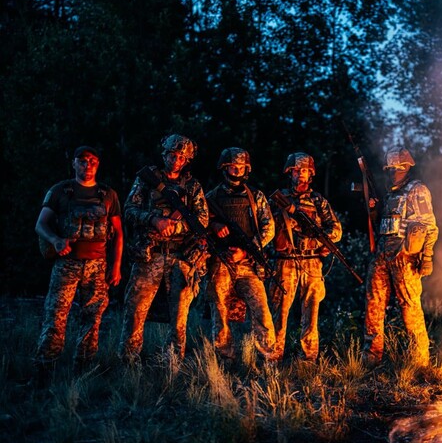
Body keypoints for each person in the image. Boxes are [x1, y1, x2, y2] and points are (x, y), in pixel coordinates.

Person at [34, 145, 123, 376]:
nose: (87, 165)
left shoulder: (108, 194)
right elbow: (40, 224)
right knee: (55, 318)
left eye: (92, 161)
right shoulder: (60, 191)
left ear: (98, 164)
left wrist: (115, 267)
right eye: (82, 161)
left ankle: (82, 374)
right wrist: (55, 240)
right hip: (66, 265)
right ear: (74, 163)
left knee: (92, 321)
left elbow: (118, 233)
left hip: (97, 266)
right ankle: (44, 372)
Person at [119, 134, 208, 363]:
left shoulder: (192, 186)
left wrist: (177, 226)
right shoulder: (147, 180)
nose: (175, 160)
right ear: (164, 154)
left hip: (180, 258)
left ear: (186, 159)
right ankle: (129, 363)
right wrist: (154, 220)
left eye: (181, 157)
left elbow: (202, 220)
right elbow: (129, 210)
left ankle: (172, 365)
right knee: (135, 312)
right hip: (149, 255)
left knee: (179, 317)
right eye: (172, 154)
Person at [362, 146, 438, 368]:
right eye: (391, 168)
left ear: (407, 167)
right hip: (382, 257)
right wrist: (374, 210)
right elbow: (383, 225)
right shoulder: (390, 192)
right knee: (373, 305)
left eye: (398, 167)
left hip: (405, 257)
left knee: (410, 307)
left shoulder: (417, 190)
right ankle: (371, 359)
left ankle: (420, 362)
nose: (394, 171)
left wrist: (427, 256)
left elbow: (430, 226)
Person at [268, 152, 342, 362]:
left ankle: (308, 360)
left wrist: (321, 241)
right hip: (285, 262)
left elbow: (336, 230)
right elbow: (264, 229)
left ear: (311, 174)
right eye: (296, 171)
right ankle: (273, 357)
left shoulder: (318, 201)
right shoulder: (278, 199)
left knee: (311, 313)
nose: (300, 175)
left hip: (311, 263)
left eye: (305, 171)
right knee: (279, 313)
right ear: (289, 173)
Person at [205, 147, 276, 361]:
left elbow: (269, 227)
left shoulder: (256, 197)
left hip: (247, 264)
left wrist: (246, 251)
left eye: (241, 167)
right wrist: (214, 225)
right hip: (220, 261)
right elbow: (198, 223)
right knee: (220, 312)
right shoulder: (211, 197)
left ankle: (268, 359)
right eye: (232, 167)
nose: (236, 171)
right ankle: (225, 359)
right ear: (224, 167)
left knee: (262, 310)